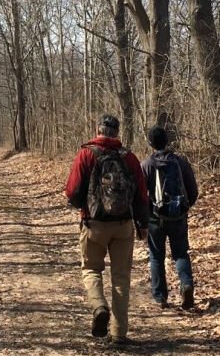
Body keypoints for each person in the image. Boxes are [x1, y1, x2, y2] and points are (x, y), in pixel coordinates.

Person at [65, 114, 149, 344]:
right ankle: (119, 333)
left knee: (91, 269)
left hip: (94, 224)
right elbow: (142, 194)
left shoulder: (86, 154)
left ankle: (99, 306)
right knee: (121, 278)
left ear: (98, 130)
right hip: (123, 226)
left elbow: (72, 191)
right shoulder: (129, 158)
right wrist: (143, 224)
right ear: (117, 132)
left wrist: (84, 205)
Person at [140, 126, 199, 310]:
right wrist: (184, 208)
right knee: (180, 253)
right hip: (178, 216)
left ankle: (160, 297)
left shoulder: (146, 165)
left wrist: (144, 216)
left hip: (155, 218)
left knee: (156, 256)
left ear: (150, 143)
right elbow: (193, 190)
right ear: (167, 141)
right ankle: (186, 285)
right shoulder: (180, 162)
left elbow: (141, 195)